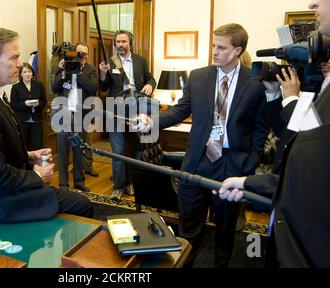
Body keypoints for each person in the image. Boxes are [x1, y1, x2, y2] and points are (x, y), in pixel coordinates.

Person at [217, 0, 330, 267]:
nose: (313, 2)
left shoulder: (314, 90)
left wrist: (292, 98)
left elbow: (305, 145)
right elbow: (282, 129)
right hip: (282, 211)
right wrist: (273, 94)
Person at [137, 23, 268, 267]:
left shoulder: (255, 82)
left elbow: (260, 127)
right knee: (189, 228)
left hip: (232, 165)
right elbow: (179, 110)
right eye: (213, 46)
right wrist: (151, 121)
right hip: (196, 162)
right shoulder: (198, 76)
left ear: (237, 50)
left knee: (225, 230)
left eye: (221, 47)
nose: (214, 51)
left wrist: (251, 161)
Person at [0, 27, 93, 223]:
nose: (19, 65)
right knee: (82, 204)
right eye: (13, 58)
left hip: (6, 191)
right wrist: (36, 174)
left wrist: (28, 156)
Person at [98, 30, 156, 200]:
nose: (121, 45)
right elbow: (103, 88)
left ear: (130, 43)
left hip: (136, 111)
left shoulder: (140, 61)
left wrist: (151, 85)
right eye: (118, 42)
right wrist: (102, 74)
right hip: (115, 110)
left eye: (124, 41)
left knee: (133, 150)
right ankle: (118, 186)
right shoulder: (110, 62)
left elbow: (150, 78)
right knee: (118, 150)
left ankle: (131, 183)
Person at [51, 43, 97, 192]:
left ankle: (79, 181)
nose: (83, 56)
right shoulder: (65, 67)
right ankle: (63, 184)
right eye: (80, 53)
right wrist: (62, 71)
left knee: (79, 150)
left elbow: (92, 88)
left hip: (81, 115)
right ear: (74, 54)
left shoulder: (90, 70)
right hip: (64, 113)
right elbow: (55, 88)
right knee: (63, 150)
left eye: (85, 53)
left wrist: (78, 73)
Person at [11, 62, 47, 151]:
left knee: (37, 146)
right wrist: (25, 104)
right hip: (23, 121)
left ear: (32, 73)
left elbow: (44, 101)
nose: (27, 74)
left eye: (29, 71)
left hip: (36, 121)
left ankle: (37, 164)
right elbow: (13, 105)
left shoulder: (39, 85)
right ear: (21, 74)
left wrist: (38, 104)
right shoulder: (16, 87)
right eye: (24, 72)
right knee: (24, 146)